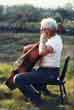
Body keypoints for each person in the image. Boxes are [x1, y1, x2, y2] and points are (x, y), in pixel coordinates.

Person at [13, 17, 63, 106]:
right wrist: (28, 47)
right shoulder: (54, 38)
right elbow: (41, 46)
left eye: (41, 30)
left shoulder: (54, 41)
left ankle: (36, 99)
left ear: (47, 30)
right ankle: (40, 90)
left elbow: (42, 51)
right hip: (46, 71)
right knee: (24, 70)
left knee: (18, 78)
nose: (40, 32)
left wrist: (42, 38)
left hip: (49, 74)